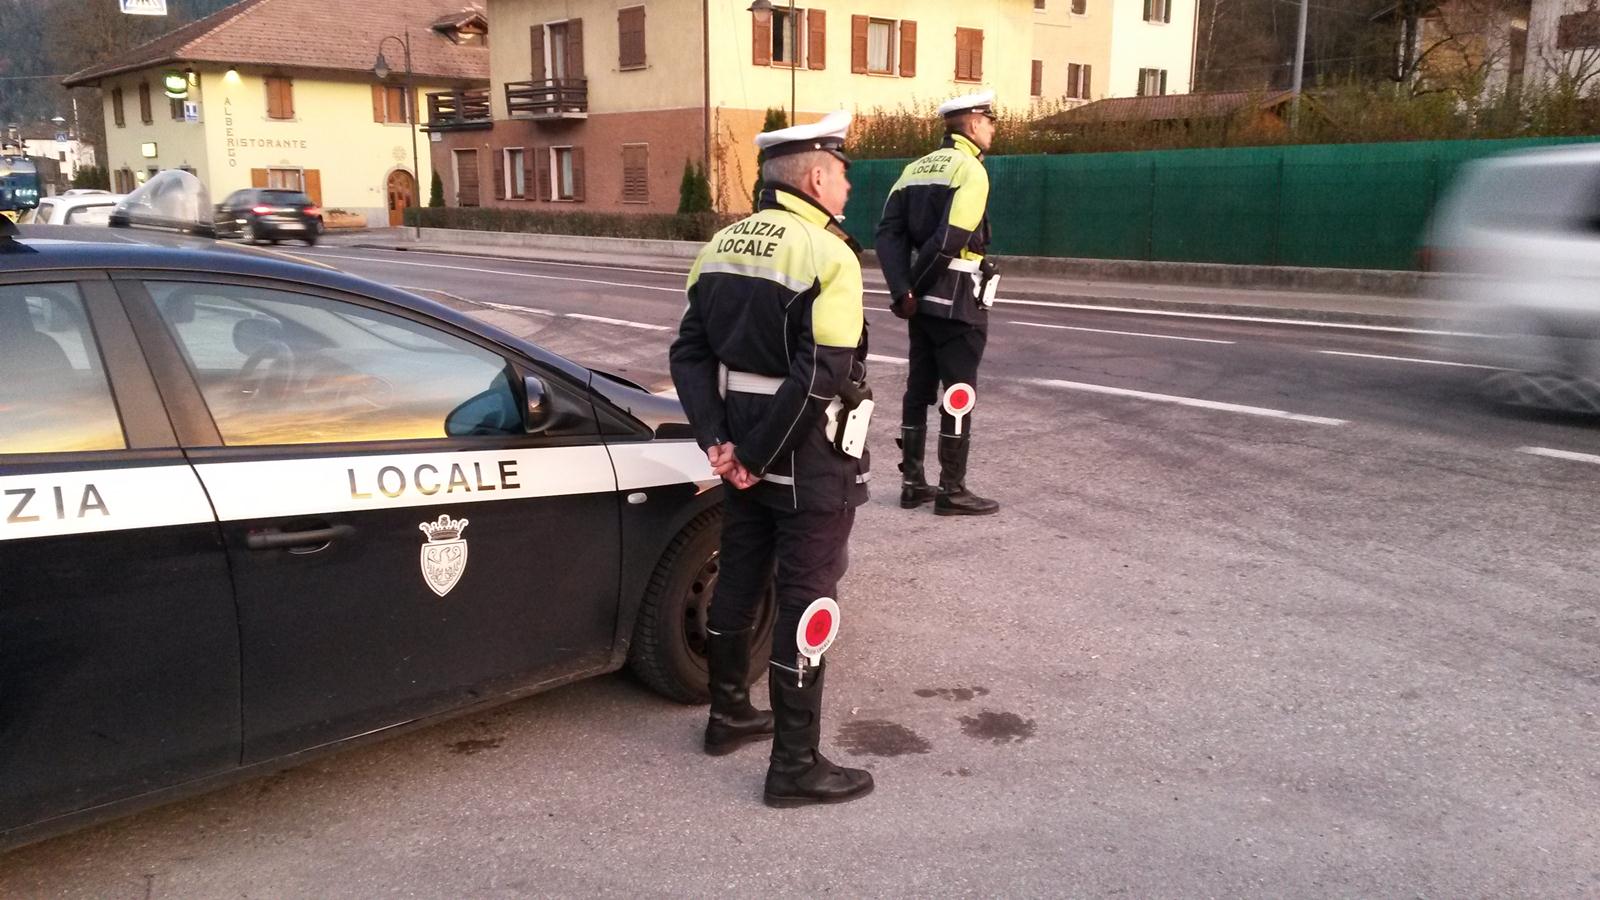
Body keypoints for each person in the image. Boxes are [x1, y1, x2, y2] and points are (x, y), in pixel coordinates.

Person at [669, 110, 875, 808]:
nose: (848, 186)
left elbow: (690, 353)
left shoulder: (721, 244)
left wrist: (718, 444)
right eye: (843, 173)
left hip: (739, 451)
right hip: (807, 458)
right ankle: (794, 765)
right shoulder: (828, 255)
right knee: (807, 596)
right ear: (816, 177)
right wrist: (757, 456)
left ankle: (727, 715)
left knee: (741, 577)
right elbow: (819, 376)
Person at [875, 90, 1002, 517]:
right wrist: (916, 285)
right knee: (959, 390)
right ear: (970, 124)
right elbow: (951, 238)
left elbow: (888, 234)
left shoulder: (913, 169)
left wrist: (902, 290)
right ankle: (952, 489)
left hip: (920, 306)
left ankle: (913, 483)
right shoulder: (971, 169)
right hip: (959, 300)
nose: (993, 128)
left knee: (918, 387)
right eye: (989, 121)